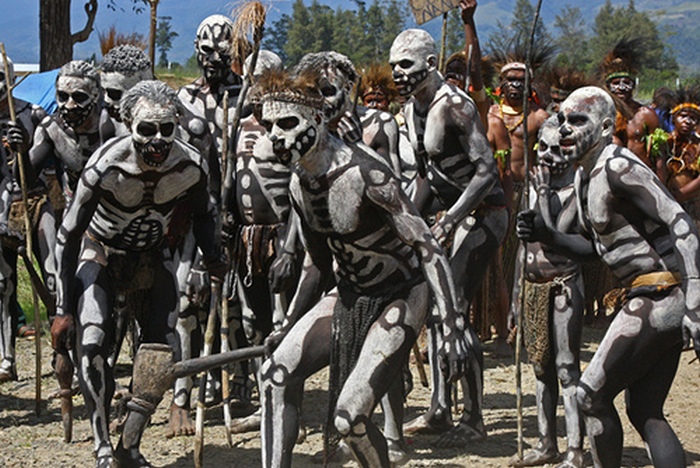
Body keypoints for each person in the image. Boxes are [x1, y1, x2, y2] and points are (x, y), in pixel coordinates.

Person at [257, 68, 469, 468]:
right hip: (349, 293)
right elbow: (317, 266)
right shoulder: (299, 183)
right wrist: (287, 324)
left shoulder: (367, 174)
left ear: (316, 118)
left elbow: (427, 247)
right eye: (269, 127)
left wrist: (453, 326)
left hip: (400, 295)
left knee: (350, 419)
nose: (276, 137)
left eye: (287, 124)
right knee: (274, 375)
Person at [517, 86, 700, 468]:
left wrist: (695, 305)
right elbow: (596, 250)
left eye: (577, 120)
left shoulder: (618, 166)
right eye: (562, 120)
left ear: (603, 128)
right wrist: (546, 235)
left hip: (661, 294)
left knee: (590, 395)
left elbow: (681, 222)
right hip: (653, 295)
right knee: (645, 410)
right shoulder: (585, 176)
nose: (565, 129)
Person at [49, 80, 225, 468]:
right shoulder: (106, 167)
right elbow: (69, 234)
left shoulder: (189, 166)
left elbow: (204, 214)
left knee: (162, 352)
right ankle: (102, 445)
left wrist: (213, 257)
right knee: (93, 342)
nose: (158, 141)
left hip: (152, 252)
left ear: (177, 125)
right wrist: (62, 308)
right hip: (100, 251)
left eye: (166, 129)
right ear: (130, 125)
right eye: (147, 130)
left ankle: (129, 443)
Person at [390, 28, 508, 446]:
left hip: (484, 216)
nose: (398, 73)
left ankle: (473, 418)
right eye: (393, 66)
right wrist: (406, 221)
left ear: (430, 64)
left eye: (406, 65)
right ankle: (440, 409)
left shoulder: (455, 106)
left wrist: (454, 217)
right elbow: (426, 177)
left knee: (454, 307)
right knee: (436, 312)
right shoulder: (410, 110)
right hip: (446, 217)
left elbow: (486, 171)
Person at [508, 118, 584, 468]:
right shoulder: (531, 186)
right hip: (532, 288)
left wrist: (542, 194)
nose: (549, 157)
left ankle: (575, 449)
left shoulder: (576, 189)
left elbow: (553, 236)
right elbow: (523, 249)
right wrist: (516, 296)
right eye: (543, 149)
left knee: (566, 368)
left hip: (563, 285)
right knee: (540, 369)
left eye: (558, 149)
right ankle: (546, 444)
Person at [0, 54, 53, 382]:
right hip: (2, 210)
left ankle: (63, 351)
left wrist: (25, 147)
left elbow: (50, 158)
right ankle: (7, 358)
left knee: (53, 278)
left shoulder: (33, 114)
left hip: (35, 202)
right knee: (3, 284)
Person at [600, 38, 660, 172]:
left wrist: (660, 183)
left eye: (626, 82)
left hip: (643, 175)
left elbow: (660, 157)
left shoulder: (646, 115)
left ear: (633, 86)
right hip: (610, 176)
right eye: (616, 83)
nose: (621, 87)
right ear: (608, 86)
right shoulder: (601, 115)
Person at [663, 85, 700, 225]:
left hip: (692, 204)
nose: (687, 121)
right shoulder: (663, 142)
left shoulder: (698, 145)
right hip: (665, 201)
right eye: (683, 116)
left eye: (693, 118)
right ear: (673, 119)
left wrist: (682, 194)